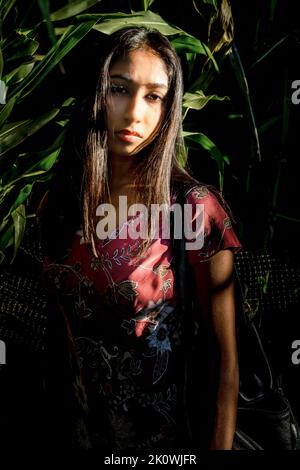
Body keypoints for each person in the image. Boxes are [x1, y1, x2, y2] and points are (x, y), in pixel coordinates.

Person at [38, 26, 241, 452]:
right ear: (96, 93)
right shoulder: (59, 203)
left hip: (164, 445)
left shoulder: (194, 208)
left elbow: (225, 363)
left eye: (154, 96)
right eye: (118, 88)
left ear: (169, 109)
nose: (133, 112)